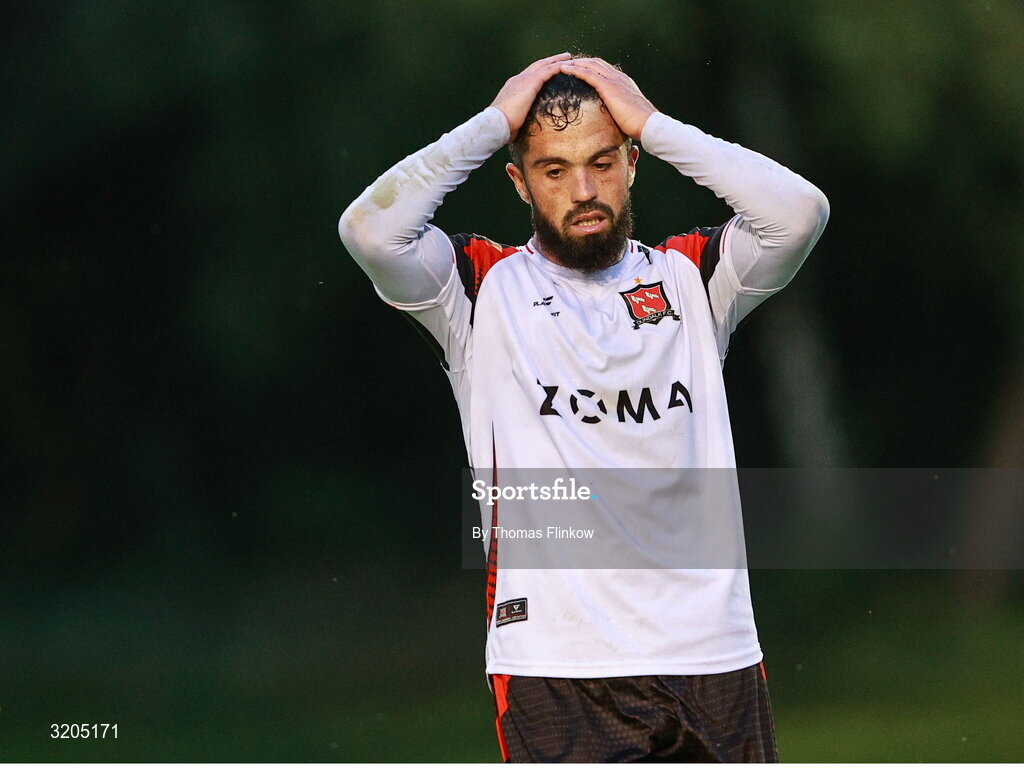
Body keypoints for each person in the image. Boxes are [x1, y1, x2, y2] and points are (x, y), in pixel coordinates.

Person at [338, 52, 828, 762]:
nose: (584, 189)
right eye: (554, 169)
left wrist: (655, 124)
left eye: (603, 161)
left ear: (633, 162)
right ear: (519, 180)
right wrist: (494, 121)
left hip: (714, 652)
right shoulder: (477, 290)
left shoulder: (692, 277)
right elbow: (369, 231)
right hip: (557, 663)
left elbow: (800, 214)